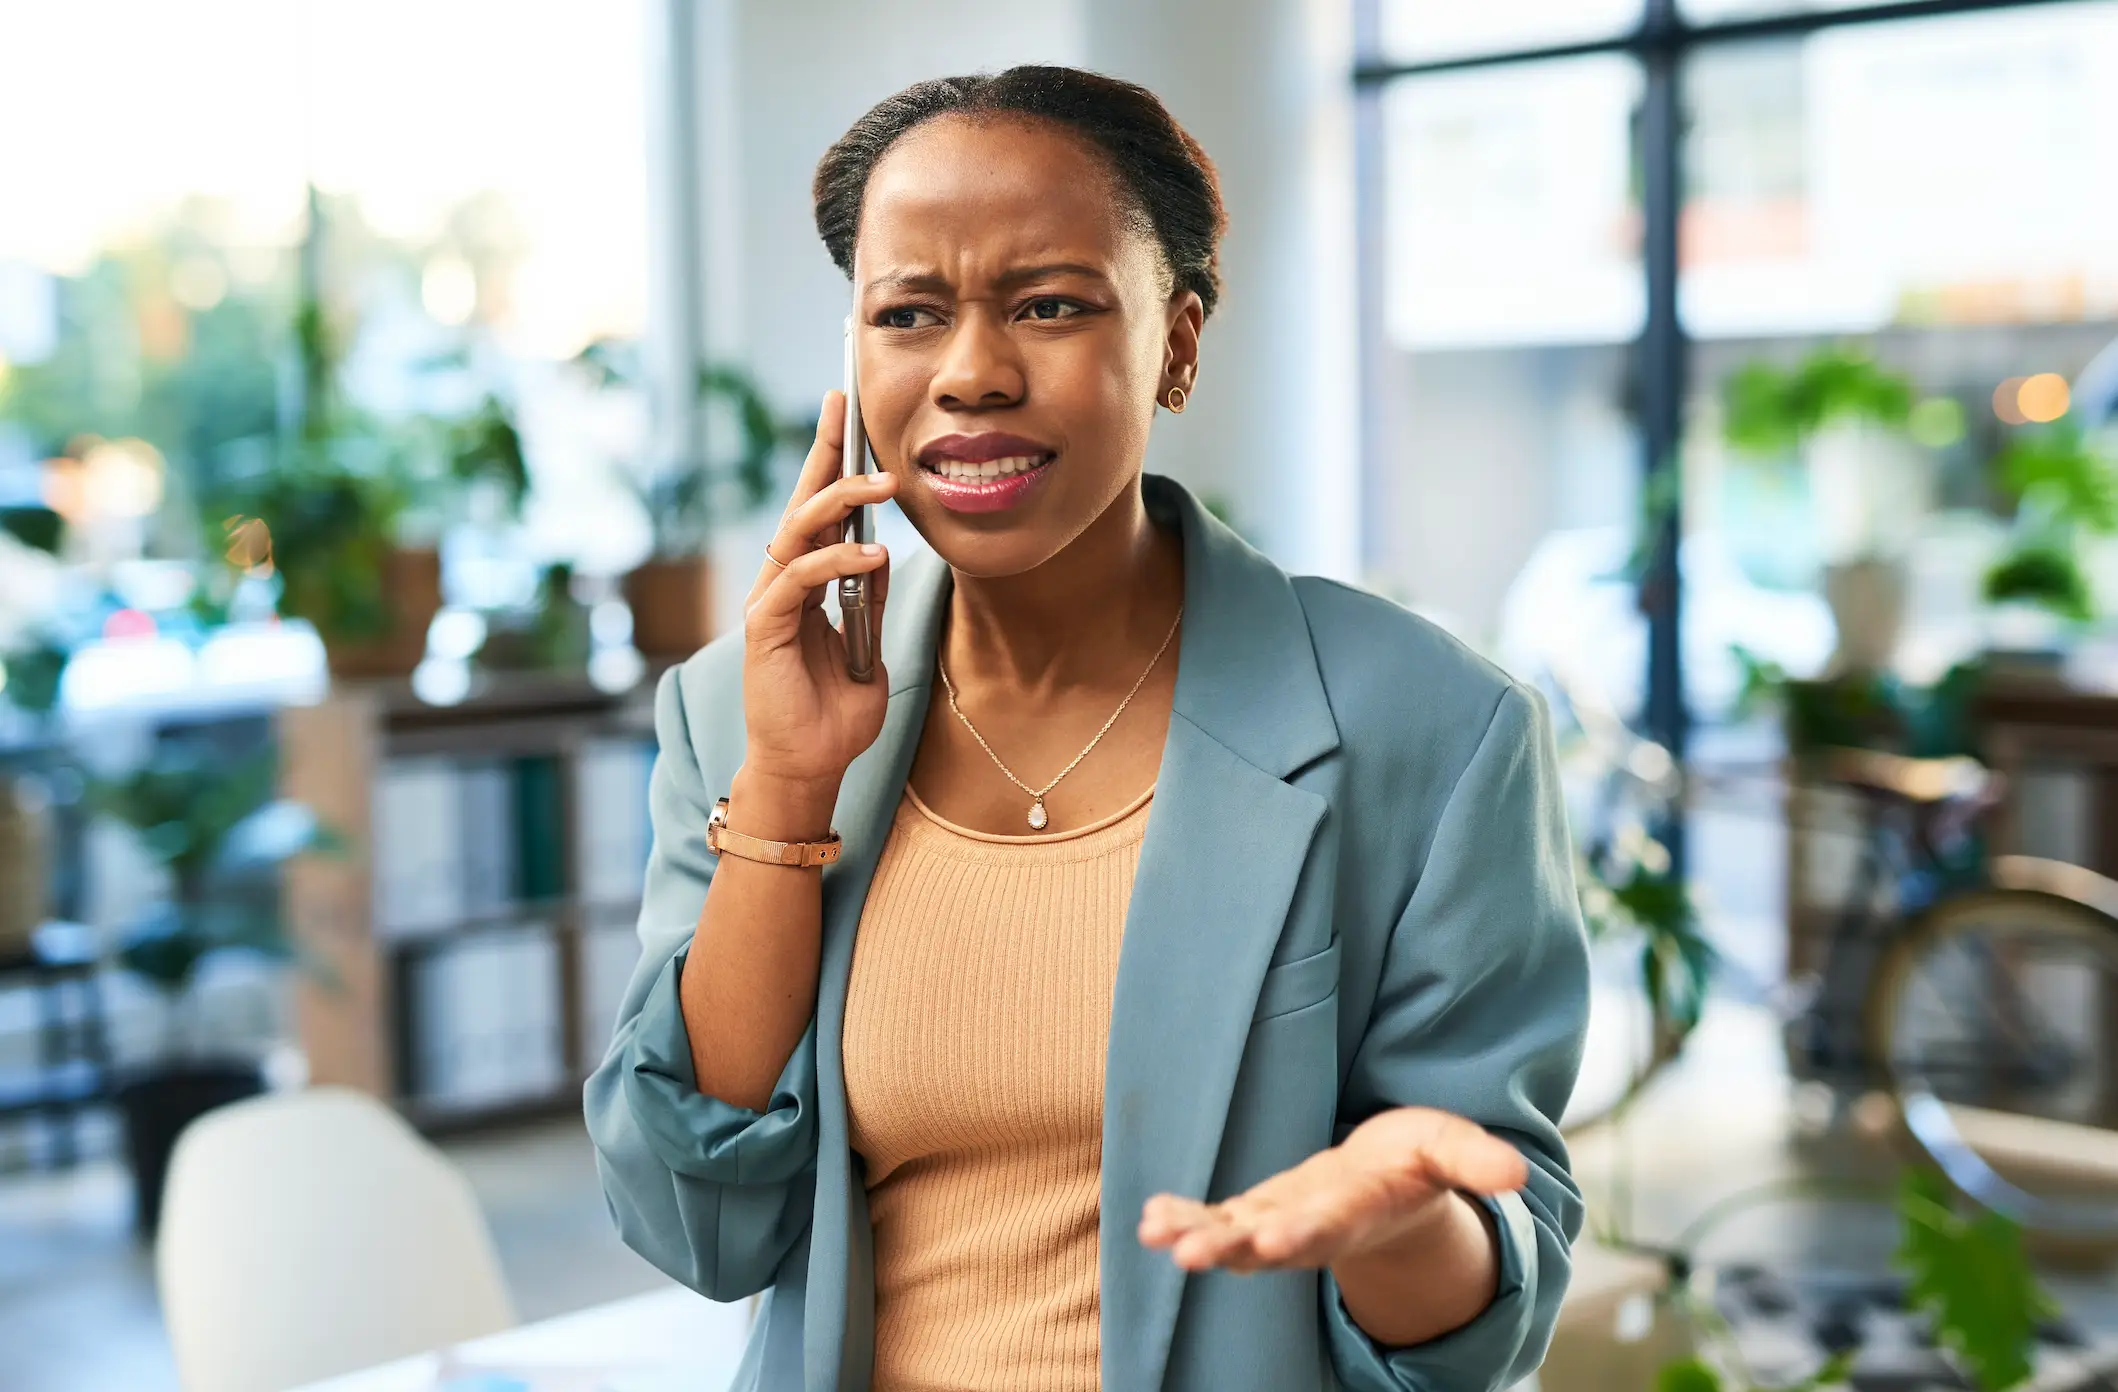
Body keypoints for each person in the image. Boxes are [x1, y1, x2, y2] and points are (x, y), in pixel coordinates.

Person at [586, 64, 1588, 1392]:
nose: (970, 375)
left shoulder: (1433, 730)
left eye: (1049, 305)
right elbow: (697, 1226)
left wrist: (1395, 1224)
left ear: (1177, 343)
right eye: (908, 314)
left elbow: (1483, 1327)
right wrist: (786, 786)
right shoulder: (737, 716)